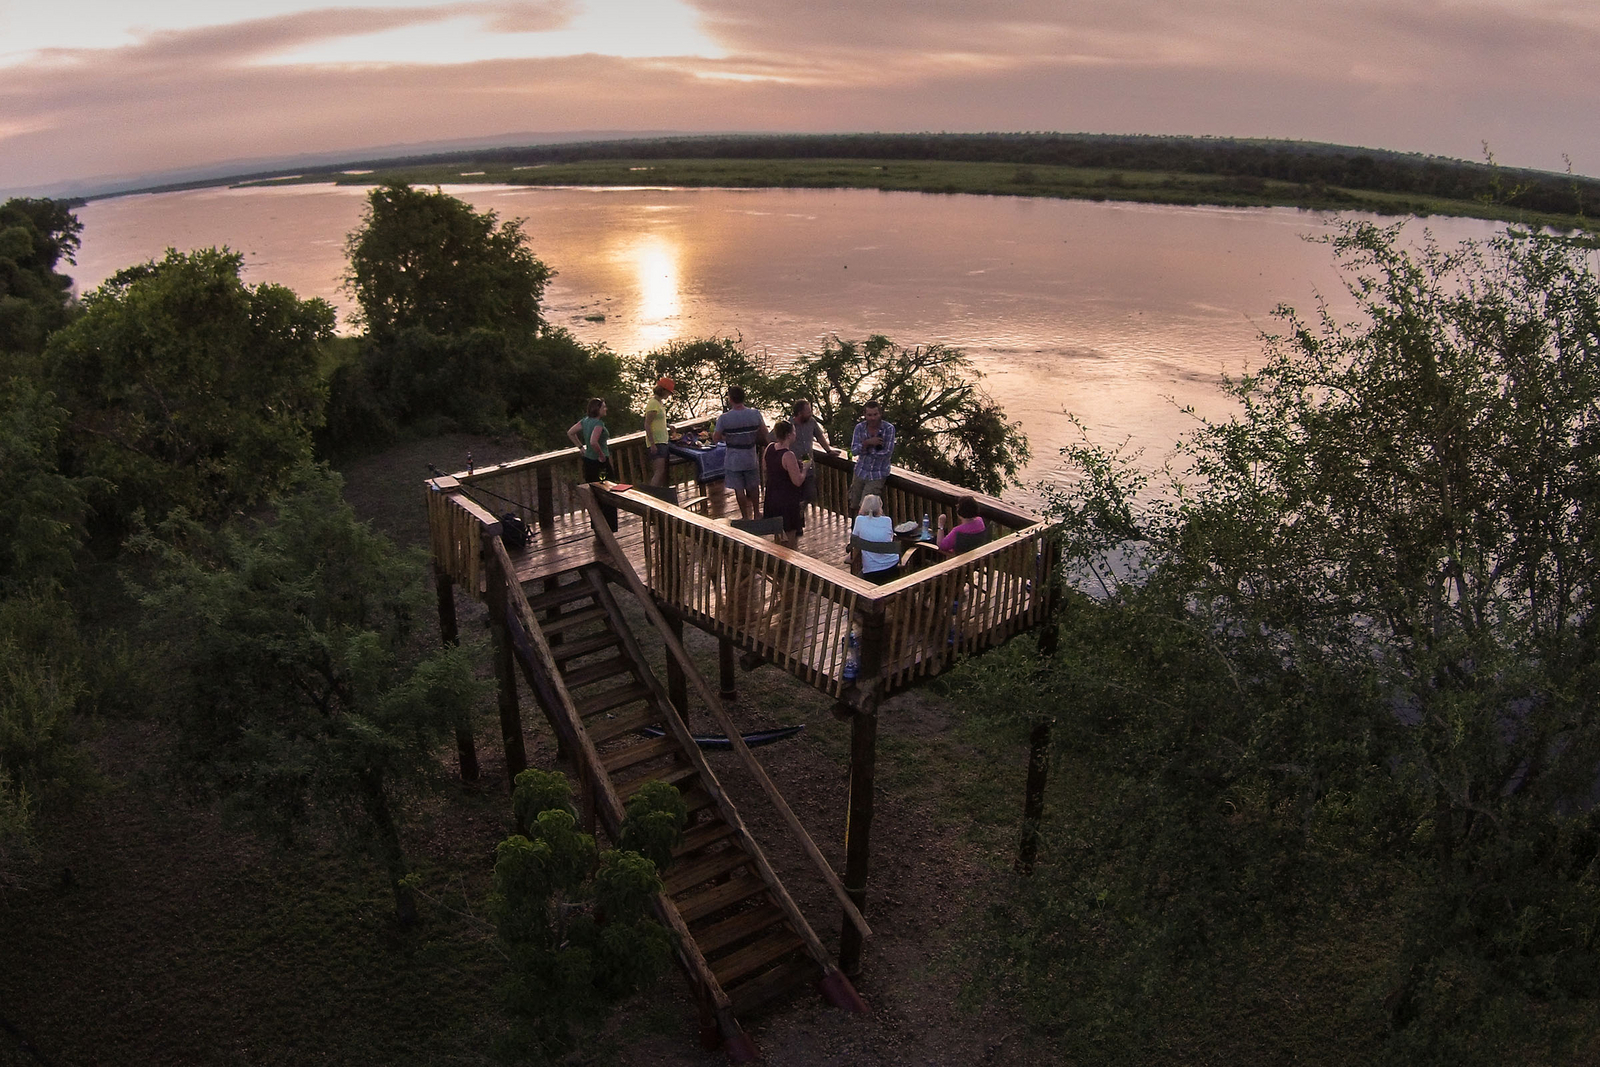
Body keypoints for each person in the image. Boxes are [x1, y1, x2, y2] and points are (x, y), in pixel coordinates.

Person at [713, 385, 768, 520]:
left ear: (730, 399)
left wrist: (727, 437)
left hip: (733, 457)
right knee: (753, 485)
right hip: (750, 454)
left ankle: (745, 516)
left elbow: (716, 437)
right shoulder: (755, 414)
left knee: (739, 488)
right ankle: (757, 512)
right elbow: (764, 432)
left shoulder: (724, 418)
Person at [567, 397, 617, 532]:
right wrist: (601, 455)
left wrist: (580, 447)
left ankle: (597, 526)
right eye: (604, 407)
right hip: (600, 465)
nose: (606, 409)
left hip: (588, 462)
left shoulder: (585, 421)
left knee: (594, 494)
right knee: (607, 491)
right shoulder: (598, 424)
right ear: (598, 409)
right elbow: (594, 441)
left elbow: (570, 432)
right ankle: (608, 526)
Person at [762, 420, 807, 545]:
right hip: (787, 500)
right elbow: (797, 481)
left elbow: (765, 468)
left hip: (772, 496)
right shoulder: (788, 455)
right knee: (791, 535)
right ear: (788, 435)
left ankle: (777, 561)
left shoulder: (769, 447)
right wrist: (805, 469)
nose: (795, 434)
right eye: (794, 431)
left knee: (777, 533)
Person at [848, 399, 895, 513]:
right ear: (864, 415)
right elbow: (853, 451)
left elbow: (887, 453)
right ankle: (855, 529)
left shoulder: (888, 429)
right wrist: (868, 443)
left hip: (877, 474)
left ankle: (866, 530)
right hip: (860, 471)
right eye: (869, 415)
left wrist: (865, 450)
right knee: (853, 504)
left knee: (867, 508)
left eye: (875, 414)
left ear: (880, 414)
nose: (872, 418)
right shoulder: (860, 428)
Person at [790, 398, 833, 504]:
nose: (811, 414)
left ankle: (802, 512)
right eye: (808, 412)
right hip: (793, 464)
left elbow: (819, 436)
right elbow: (772, 438)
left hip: (807, 462)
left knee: (811, 494)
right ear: (800, 413)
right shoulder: (788, 425)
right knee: (794, 495)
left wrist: (828, 450)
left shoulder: (812, 422)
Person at [852, 494, 900, 584]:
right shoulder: (887, 520)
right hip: (892, 567)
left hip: (871, 572)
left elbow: (855, 542)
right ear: (880, 507)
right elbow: (890, 537)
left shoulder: (859, 520)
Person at [644, 376, 674, 486]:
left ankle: (658, 494)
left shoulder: (659, 403)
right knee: (658, 472)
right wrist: (652, 444)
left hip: (662, 440)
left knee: (661, 472)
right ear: (664, 391)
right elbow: (647, 424)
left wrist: (668, 425)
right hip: (656, 442)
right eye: (669, 392)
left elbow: (658, 421)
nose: (669, 395)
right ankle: (652, 496)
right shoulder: (653, 404)